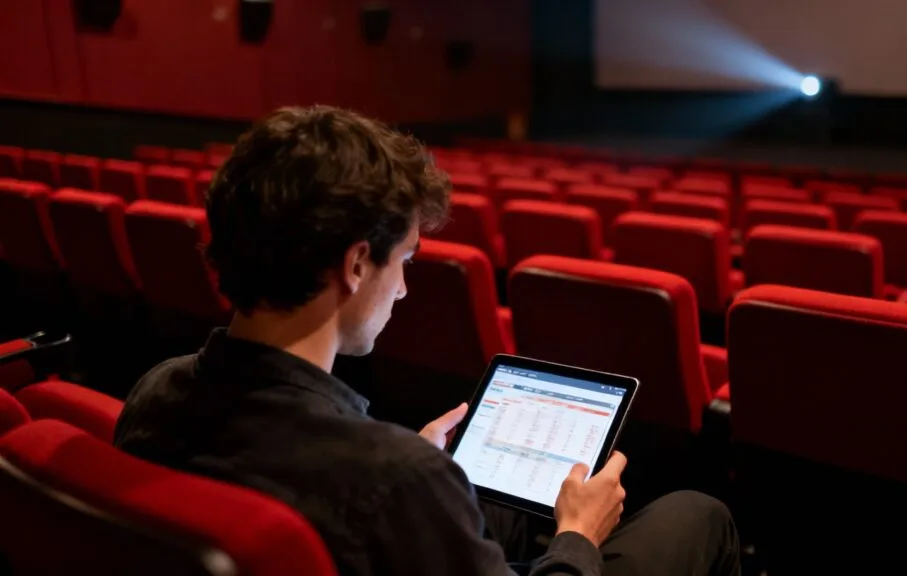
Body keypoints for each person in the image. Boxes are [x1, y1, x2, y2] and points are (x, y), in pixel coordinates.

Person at [113, 106, 740, 576]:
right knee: (696, 513)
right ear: (357, 264)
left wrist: (416, 465)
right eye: (405, 260)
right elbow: (376, 490)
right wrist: (577, 535)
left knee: (487, 493)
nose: (404, 289)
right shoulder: (394, 479)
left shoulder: (156, 391)